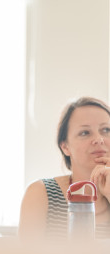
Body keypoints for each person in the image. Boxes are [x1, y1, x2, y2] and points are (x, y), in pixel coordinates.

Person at [19, 96, 110, 239]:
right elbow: (27, 253)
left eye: (106, 130)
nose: (99, 139)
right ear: (65, 146)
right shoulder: (41, 193)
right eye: (85, 133)